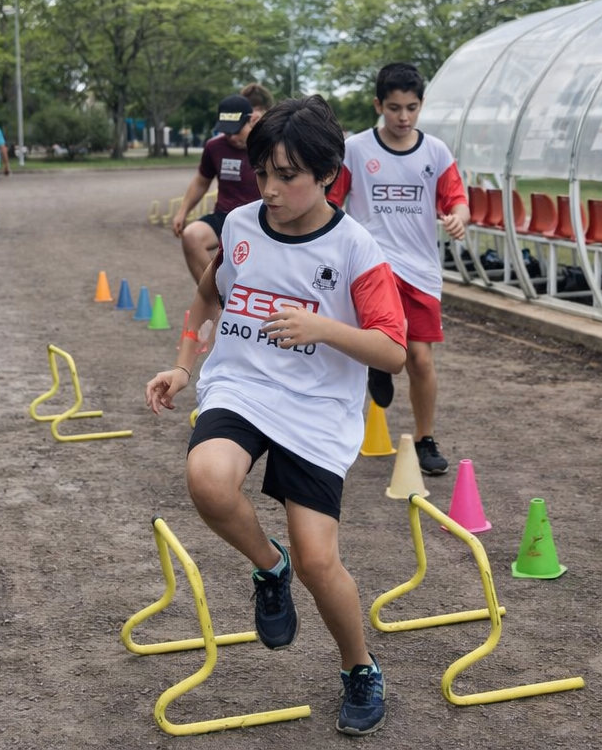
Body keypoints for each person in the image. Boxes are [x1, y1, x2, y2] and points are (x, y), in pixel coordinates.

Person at [145, 95, 406, 736]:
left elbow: (393, 352)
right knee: (207, 478)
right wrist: (183, 364)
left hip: (317, 408)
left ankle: (360, 668)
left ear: (326, 174)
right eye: (263, 173)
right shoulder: (239, 227)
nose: (271, 188)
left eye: (286, 175)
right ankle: (269, 567)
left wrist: (323, 327)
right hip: (242, 386)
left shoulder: (355, 249)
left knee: (321, 562)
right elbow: (207, 295)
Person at [327, 62, 470, 477]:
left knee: (420, 360)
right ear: (378, 105)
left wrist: (459, 216)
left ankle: (425, 439)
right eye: (394, 108)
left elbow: (456, 199)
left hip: (421, 271)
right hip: (373, 266)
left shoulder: (436, 152)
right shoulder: (355, 148)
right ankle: (339, 428)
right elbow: (333, 202)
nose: (403, 117)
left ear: (422, 105)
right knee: (366, 347)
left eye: (411, 108)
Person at [171, 94, 263, 282]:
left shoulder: (267, 146)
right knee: (191, 236)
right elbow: (201, 181)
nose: (232, 137)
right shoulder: (214, 147)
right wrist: (182, 212)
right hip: (225, 217)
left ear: (252, 119)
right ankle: (215, 298)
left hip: (261, 220)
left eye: (237, 130)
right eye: (227, 132)